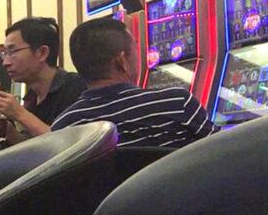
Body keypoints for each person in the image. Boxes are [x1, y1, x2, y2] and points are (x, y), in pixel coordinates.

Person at [51, 17, 218, 146]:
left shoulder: (64, 128)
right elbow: (225, 153)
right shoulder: (177, 103)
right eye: (135, 48)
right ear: (121, 61)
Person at [0, 16, 87, 145]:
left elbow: (69, 146)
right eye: (4, 54)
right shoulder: (32, 98)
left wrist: (20, 114)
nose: (5, 62)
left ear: (42, 53)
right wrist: (10, 132)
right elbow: (35, 147)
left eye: (12, 52)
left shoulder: (75, 88)